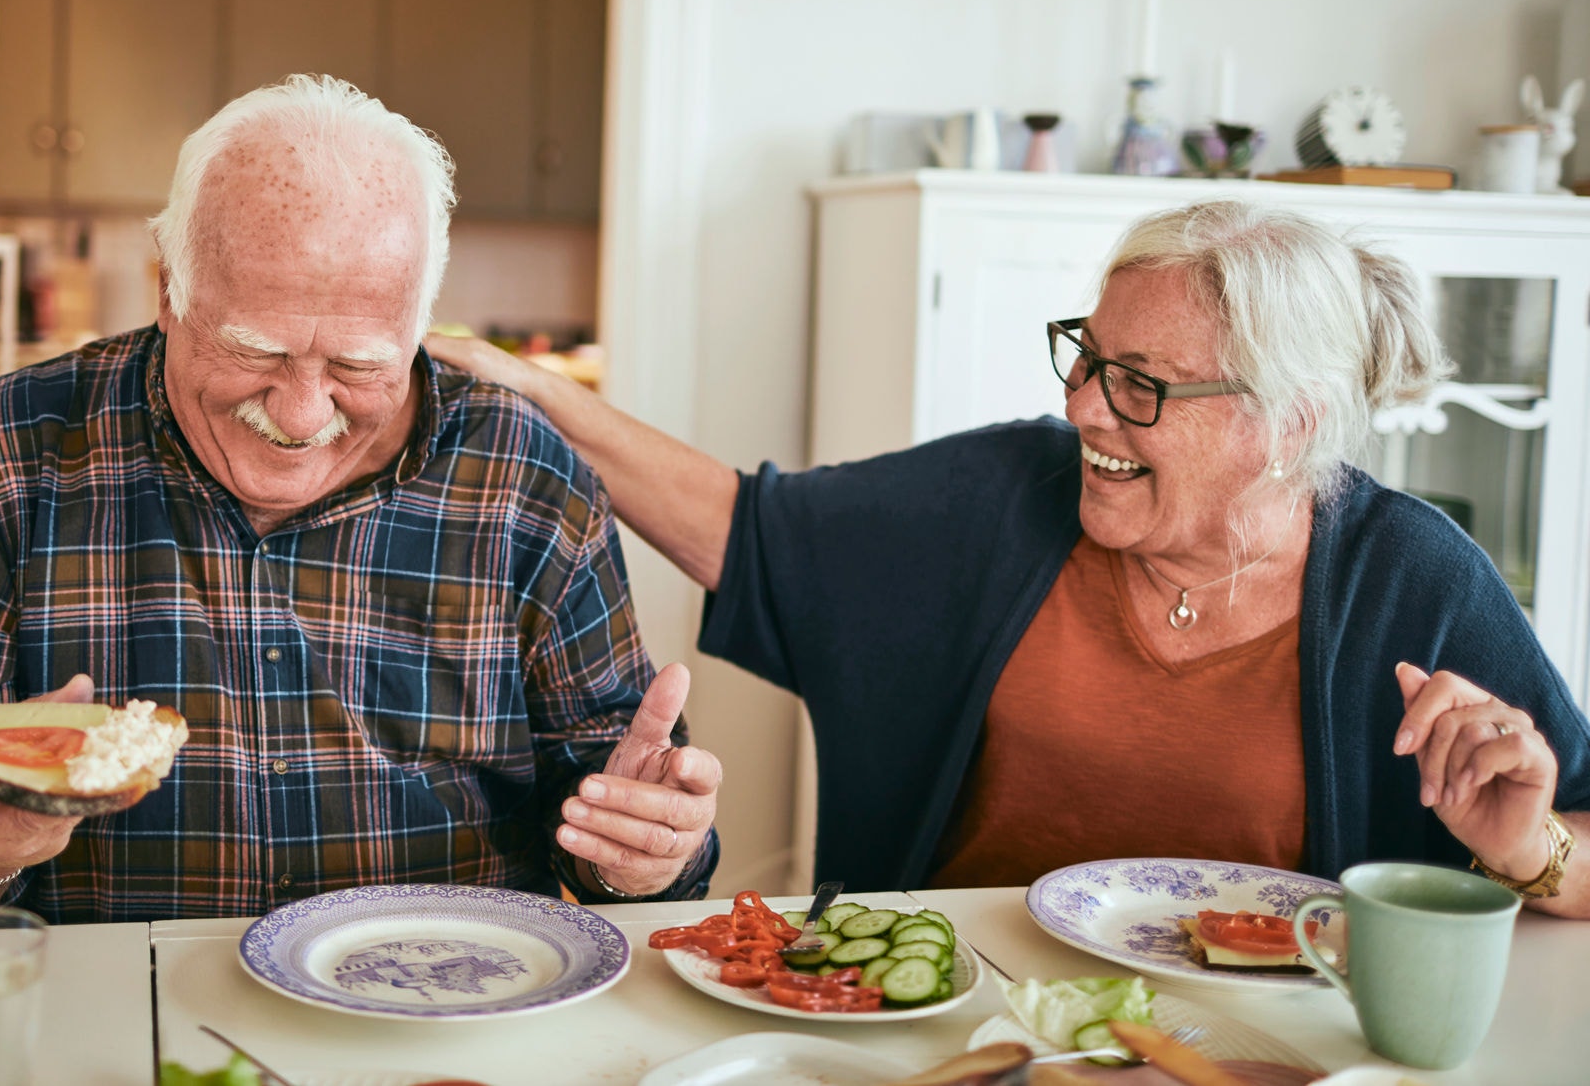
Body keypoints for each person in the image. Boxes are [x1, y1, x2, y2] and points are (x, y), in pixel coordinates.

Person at [429, 199, 1590, 917]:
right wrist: (535, 390)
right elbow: (746, 530)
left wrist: (1524, 847)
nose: (1086, 406)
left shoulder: (1409, 576)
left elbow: (1573, 843)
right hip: (956, 1034)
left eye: (1141, 384)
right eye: (1084, 358)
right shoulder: (1005, 496)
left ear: (1287, 421)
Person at [0, 75, 720, 931]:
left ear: (419, 323)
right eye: (254, 350)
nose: (299, 413)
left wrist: (644, 853)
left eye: (360, 365)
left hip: (448, 1021)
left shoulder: (526, 474)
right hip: (117, 1029)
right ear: (167, 289)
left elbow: (625, 829)